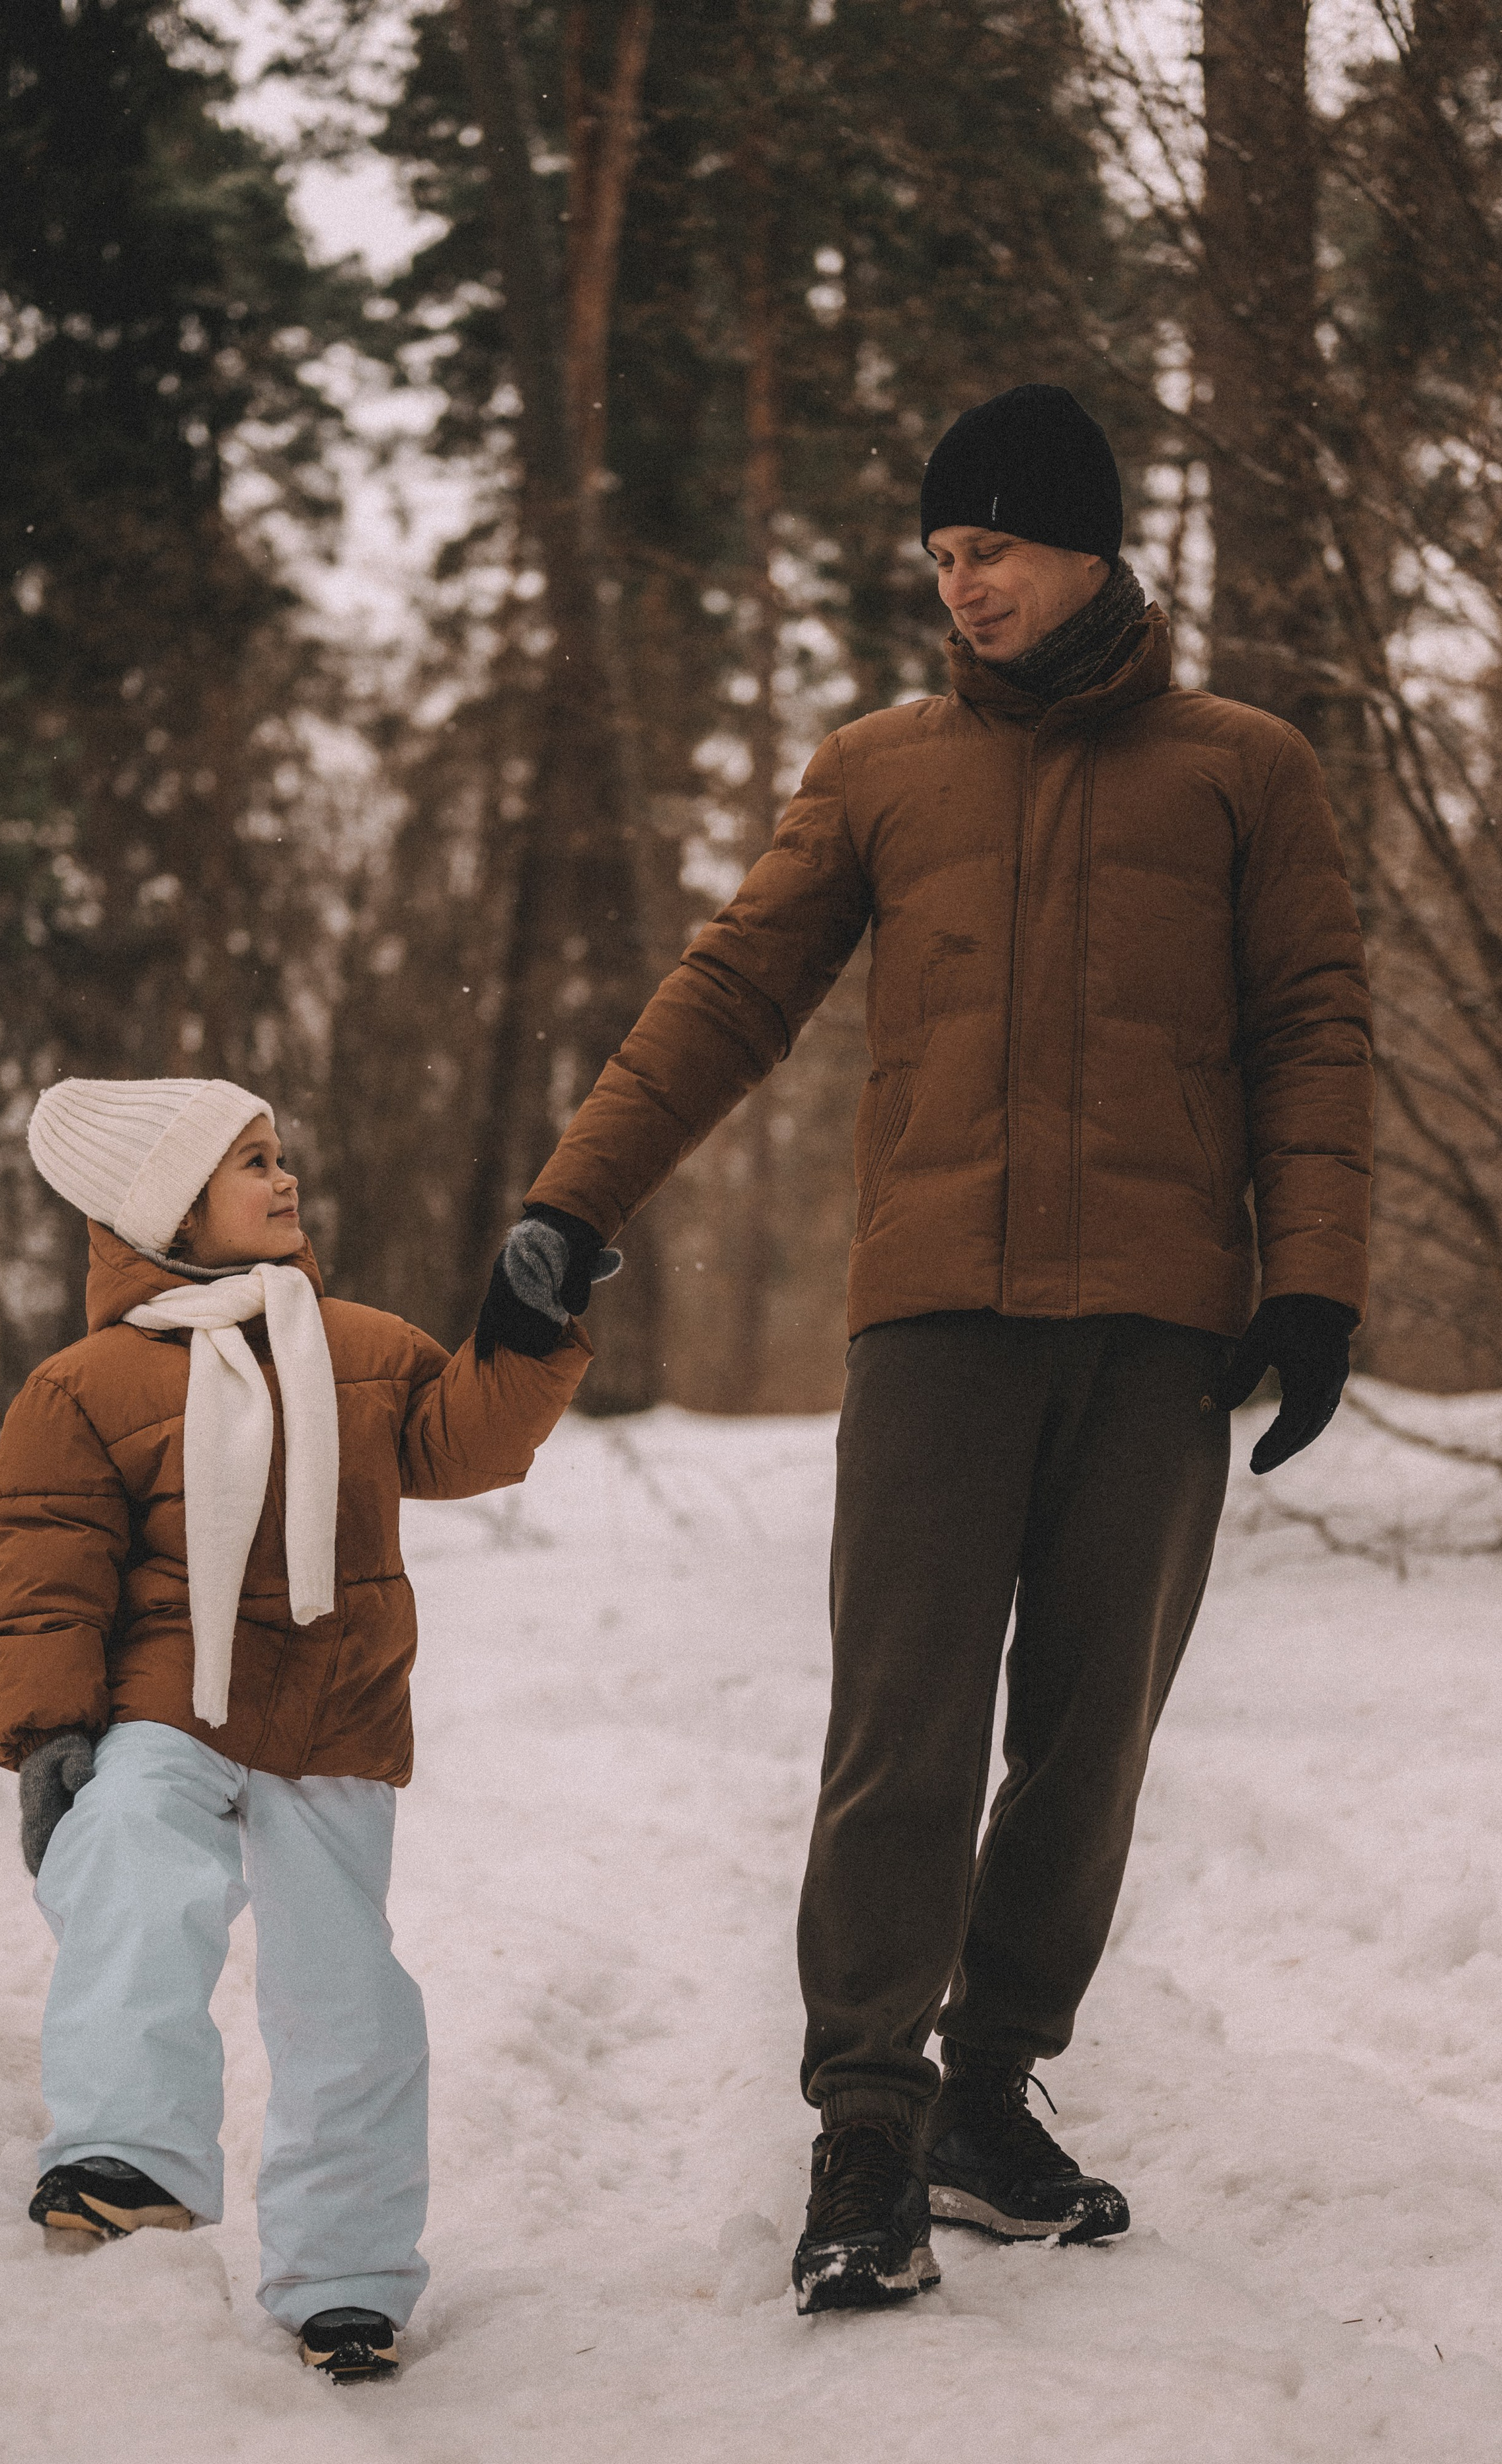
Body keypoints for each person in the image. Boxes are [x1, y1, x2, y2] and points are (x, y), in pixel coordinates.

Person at [474, 384, 1373, 2315]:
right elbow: (732, 992)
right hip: (937, 1323)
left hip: (1156, 1331)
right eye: (943, 558)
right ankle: (866, 2126)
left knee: (1089, 1739)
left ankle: (988, 2090)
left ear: (1088, 549)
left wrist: (1313, 1278)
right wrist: (575, 1200)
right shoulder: (881, 770)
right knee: (903, 1725)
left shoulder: (1244, 771)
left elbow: (1311, 1025)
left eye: (994, 550)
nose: (961, 586)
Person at [0, 1075, 593, 2379]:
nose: (285, 1177)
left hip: (331, 1722)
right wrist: (49, 1736)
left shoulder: (359, 1349)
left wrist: (525, 1327)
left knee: (350, 2002)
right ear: (168, 1210)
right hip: (170, 1702)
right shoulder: (83, 1388)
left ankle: (346, 2277)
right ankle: (124, 2158)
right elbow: (46, 1572)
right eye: (249, 1161)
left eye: (281, 1154)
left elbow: (462, 1441)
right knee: (135, 1865)